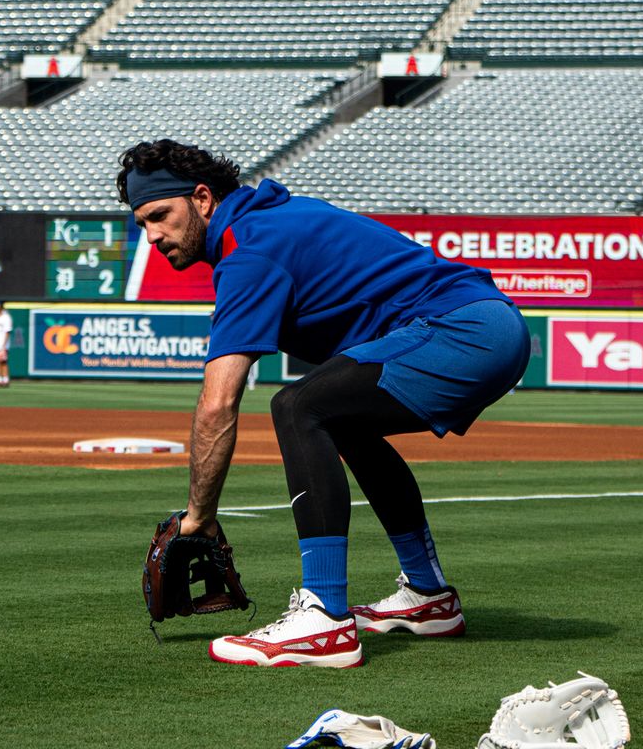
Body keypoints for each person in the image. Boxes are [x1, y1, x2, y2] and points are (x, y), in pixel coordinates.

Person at [117, 140, 529, 668]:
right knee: (341, 420)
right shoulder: (262, 224)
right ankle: (428, 598)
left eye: (159, 216)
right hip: (480, 325)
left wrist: (199, 517)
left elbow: (218, 403)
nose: (152, 236)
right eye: (142, 225)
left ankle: (326, 619)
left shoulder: (250, 247)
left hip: (466, 330)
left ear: (201, 199)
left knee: (298, 406)